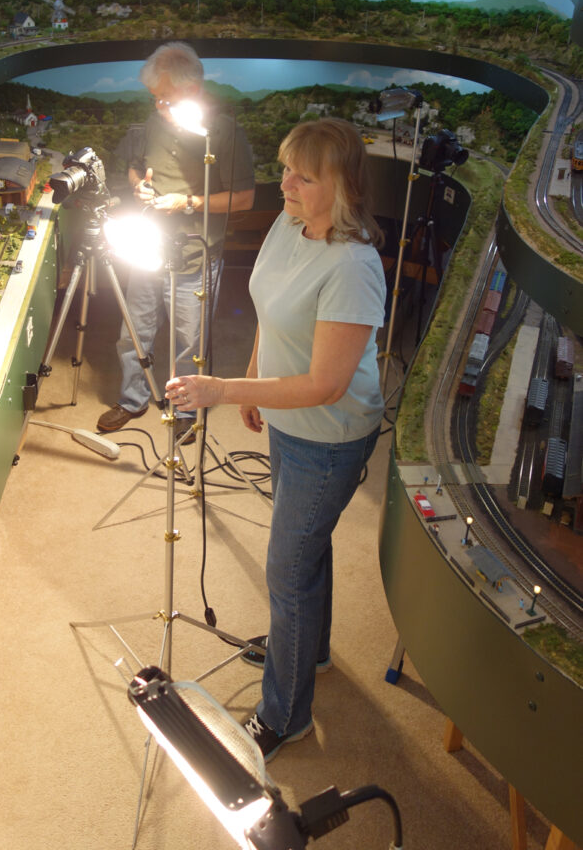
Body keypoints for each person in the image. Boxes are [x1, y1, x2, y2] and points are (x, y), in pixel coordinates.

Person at [165, 117, 386, 761]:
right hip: (288, 420)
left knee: (287, 568)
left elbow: (324, 384)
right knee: (304, 549)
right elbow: (267, 306)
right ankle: (307, 652)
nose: (283, 181)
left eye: (302, 175)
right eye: (285, 167)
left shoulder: (352, 266)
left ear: (340, 186)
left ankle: (284, 715)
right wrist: (259, 376)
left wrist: (228, 389)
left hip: (331, 436)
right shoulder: (288, 223)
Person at [97, 42, 255, 441]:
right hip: (149, 248)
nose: (159, 106)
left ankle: (186, 409)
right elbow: (136, 168)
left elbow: (245, 198)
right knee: (135, 330)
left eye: (165, 97)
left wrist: (187, 201)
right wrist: (141, 187)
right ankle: (133, 399)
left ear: (192, 89)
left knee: (190, 340)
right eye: (154, 98)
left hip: (195, 254)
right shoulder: (154, 123)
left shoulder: (223, 132)